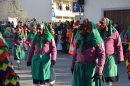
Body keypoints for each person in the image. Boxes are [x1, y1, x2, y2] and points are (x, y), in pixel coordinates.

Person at [71, 19, 106, 86]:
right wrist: (72, 66)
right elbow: (75, 53)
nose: (80, 30)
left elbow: (101, 56)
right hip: (79, 68)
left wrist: (99, 71)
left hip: (91, 69)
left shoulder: (96, 39)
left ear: (88, 29)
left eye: (82, 27)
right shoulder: (78, 37)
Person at [97, 17, 124, 86]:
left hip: (110, 57)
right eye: (100, 22)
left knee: (108, 77)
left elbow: (119, 45)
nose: (101, 24)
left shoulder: (114, 32)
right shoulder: (98, 31)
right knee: (99, 76)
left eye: (103, 23)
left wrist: (120, 57)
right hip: (99, 57)